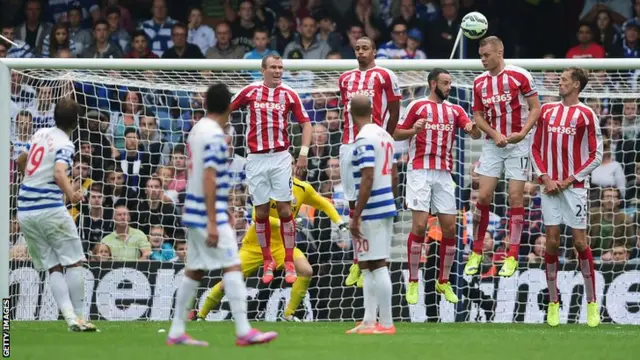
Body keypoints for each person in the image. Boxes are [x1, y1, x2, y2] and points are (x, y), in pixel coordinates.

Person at [166, 83, 277, 347]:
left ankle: (176, 331)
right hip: (207, 213)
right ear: (230, 107)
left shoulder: (196, 130)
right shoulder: (215, 135)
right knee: (233, 265)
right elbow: (209, 175)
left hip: (193, 209)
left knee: (194, 270)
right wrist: (215, 220)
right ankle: (243, 331)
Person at [196, 159, 348, 322]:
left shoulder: (303, 189)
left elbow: (324, 204)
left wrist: (339, 221)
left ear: (293, 167)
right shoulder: (266, 186)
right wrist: (284, 223)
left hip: (283, 245)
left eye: (288, 164)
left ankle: (289, 314)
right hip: (256, 245)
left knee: (306, 270)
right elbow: (256, 216)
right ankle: (201, 315)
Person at [393, 68, 481, 305]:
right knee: (420, 226)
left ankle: (443, 280)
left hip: (444, 173)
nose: (449, 86)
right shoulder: (417, 106)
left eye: (450, 83)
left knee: (450, 229)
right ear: (433, 84)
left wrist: (478, 125)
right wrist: (414, 130)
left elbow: (473, 133)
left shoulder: (455, 110)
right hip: (419, 170)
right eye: (445, 83)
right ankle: (413, 281)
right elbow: (396, 132)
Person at [230, 54, 312, 284]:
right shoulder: (250, 91)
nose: (278, 71)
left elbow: (305, 123)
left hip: (280, 158)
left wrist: (303, 153)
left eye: (280, 67)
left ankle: (288, 261)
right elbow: (227, 109)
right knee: (261, 213)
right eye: (273, 67)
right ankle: (268, 260)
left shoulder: (289, 93)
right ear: (262, 70)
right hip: (255, 159)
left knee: (285, 211)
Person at [15, 98, 96, 332]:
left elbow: (21, 160)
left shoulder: (40, 133)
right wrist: (71, 193)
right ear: (76, 122)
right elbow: (60, 173)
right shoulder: (66, 144)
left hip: (26, 210)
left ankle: (70, 318)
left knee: (53, 266)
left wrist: (31, 180)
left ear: (53, 116)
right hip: (49, 208)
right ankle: (80, 317)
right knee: (73, 261)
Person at [530, 67, 603, 328]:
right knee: (551, 243)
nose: (558, 82)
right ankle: (553, 302)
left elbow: (597, 155)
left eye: (563, 80)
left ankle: (593, 303)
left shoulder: (586, 114)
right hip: (550, 186)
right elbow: (534, 147)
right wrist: (545, 177)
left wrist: (569, 179)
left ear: (575, 86)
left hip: (574, 188)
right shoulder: (547, 111)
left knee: (580, 243)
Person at [464, 36, 542, 277]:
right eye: (480, 56)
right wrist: (494, 133)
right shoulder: (479, 82)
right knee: (483, 196)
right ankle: (476, 251)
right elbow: (477, 116)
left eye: (486, 55)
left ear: (500, 52)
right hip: (492, 143)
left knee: (516, 198)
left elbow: (536, 108)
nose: (483, 60)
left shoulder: (520, 75)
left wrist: (523, 133)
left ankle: (512, 255)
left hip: (518, 143)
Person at [338, 36, 401, 288]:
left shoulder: (385, 75)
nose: (361, 52)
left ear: (374, 51)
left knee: (373, 195)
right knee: (353, 200)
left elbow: (395, 110)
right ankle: (358, 259)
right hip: (347, 144)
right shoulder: (344, 79)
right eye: (357, 48)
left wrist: (387, 135)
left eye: (365, 48)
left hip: (373, 140)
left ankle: (374, 252)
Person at [346, 95, 398, 335]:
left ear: (350, 111)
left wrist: (356, 214)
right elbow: (395, 174)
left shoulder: (364, 138)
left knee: (378, 264)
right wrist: (392, 200)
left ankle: (386, 323)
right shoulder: (385, 135)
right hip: (385, 203)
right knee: (366, 264)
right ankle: (368, 321)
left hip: (372, 208)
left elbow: (367, 176)